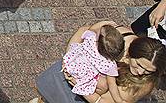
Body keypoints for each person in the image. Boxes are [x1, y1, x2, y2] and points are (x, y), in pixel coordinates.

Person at [34, 29, 166, 103]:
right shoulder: (120, 37)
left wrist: (76, 82)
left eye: (149, 71)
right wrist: (69, 59)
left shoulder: (142, 84)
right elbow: (83, 31)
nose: (141, 72)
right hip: (67, 79)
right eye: (139, 64)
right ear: (133, 51)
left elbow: (101, 101)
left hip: (81, 95)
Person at [62, 21, 125, 101]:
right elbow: (112, 86)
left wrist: (105, 22)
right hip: (83, 77)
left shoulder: (91, 39)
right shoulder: (110, 65)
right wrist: (119, 100)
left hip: (72, 64)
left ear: (98, 40)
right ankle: (88, 89)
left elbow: (93, 28)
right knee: (104, 87)